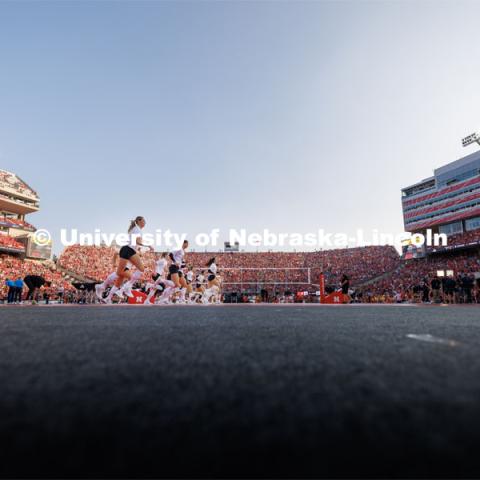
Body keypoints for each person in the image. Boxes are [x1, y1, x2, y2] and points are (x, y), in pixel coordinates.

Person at [109, 216, 153, 300]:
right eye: (144, 221)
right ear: (139, 221)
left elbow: (135, 242)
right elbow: (137, 241)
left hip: (128, 250)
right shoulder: (137, 229)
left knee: (120, 274)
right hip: (129, 250)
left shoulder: (135, 229)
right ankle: (124, 288)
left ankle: (113, 291)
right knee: (141, 269)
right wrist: (148, 245)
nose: (145, 223)